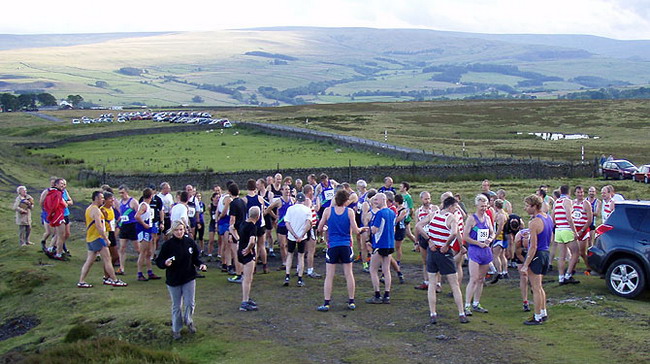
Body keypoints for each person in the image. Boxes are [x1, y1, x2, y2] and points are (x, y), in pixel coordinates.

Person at [317, 189, 366, 312]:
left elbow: (319, 227)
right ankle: (351, 301)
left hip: (332, 245)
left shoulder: (328, 211)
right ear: (346, 200)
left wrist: (327, 230)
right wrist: (363, 229)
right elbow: (356, 231)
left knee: (329, 275)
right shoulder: (349, 212)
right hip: (346, 245)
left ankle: (326, 302)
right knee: (349, 274)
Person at [156, 221, 207, 340]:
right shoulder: (167, 245)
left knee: (190, 302)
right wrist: (165, 263)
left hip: (189, 277)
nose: (179, 232)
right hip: (174, 280)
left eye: (181, 230)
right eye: (177, 230)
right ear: (173, 231)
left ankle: (188, 320)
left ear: (184, 230)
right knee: (176, 306)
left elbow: (195, 258)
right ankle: (176, 329)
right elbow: (159, 261)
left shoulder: (190, 242)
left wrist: (201, 265)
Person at [425, 196, 469, 324]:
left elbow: (418, 226)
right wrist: (446, 244)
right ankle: (461, 313)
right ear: (450, 206)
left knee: (432, 283)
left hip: (432, 252)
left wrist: (429, 240)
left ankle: (433, 313)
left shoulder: (433, 214)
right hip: (444, 252)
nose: (457, 209)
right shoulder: (451, 218)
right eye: (455, 207)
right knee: (454, 285)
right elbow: (455, 233)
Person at [78, 191, 127, 288]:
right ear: (96, 198)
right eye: (101, 198)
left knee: (90, 261)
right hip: (98, 238)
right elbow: (99, 226)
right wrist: (106, 238)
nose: (103, 200)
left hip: (90, 238)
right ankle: (114, 280)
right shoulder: (96, 210)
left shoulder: (89, 209)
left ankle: (81, 281)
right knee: (108, 259)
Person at [520, 194, 551, 325]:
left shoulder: (534, 222)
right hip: (546, 253)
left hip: (538, 254)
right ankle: (543, 312)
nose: (525, 208)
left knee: (535, 288)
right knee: (539, 286)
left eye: (527, 206)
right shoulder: (548, 217)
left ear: (534, 206)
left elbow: (533, 246)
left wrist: (525, 265)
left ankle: (537, 316)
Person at [463, 194, 494, 315]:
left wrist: (489, 240)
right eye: (481, 206)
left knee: (481, 279)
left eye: (485, 206)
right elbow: (465, 236)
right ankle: (467, 305)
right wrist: (477, 243)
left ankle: (476, 303)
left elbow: (492, 233)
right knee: (474, 278)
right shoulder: (471, 219)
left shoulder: (487, 218)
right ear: (476, 205)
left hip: (485, 251)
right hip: (475, 251)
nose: (484, 208)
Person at [365, 193, 395, 304]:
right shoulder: (392, 212)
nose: (375, 202)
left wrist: (367, 228)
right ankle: (387, 295)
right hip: (389, 244)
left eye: (377, 200)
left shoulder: (379, 213)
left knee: (373, 269)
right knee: (386, 270)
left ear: (383, 199)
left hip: (379, 244)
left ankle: (377, 295)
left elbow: (375, 230)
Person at [284, 192, 312, 287]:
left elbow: (287, 223)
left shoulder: (290, 209)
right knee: (300, 256)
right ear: (304, 201)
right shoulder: (307, 210)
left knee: (290, 255)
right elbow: (308, 224)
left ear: (296, 199)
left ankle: (287, 276)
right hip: (302, 237)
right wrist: (301, 235)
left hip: (291, 237)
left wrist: (294, 235)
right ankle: (299, 278)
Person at [552, 185, 579, 285]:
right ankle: (568, 274)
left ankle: (561, 277)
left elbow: (553, 217)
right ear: (569, 192)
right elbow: (569, 217)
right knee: (576, 252)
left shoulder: (556, 202)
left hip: (558, 230)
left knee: (561, 256)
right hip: (566, 229)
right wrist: (574, 231)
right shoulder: (567, 201)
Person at [265, 184, 295, 272]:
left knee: (290, 245)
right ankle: (284, 262)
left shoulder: (293, 200)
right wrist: (275, 217)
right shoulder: (279, 201)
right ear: (281, 191)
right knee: (282, 245)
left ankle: (289, 261)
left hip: (291, 225)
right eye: (285, 189)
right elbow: (269, 208)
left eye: (288, 189)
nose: (287, 191)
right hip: (281, 225)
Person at [236, 206, 261, 311]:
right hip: (247, 255)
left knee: (247, 278)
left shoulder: (243, 223)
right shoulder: (252, 227)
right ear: (258, 216)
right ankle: (244, 302)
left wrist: (238, 241)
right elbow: (252, 241)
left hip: (239, 253)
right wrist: (248, 248)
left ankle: (247, 297)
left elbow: (232, 228)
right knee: (247, 279)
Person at [242, 179, 268, 273]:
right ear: (255, 187)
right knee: (262, 246)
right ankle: (265, 266)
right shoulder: (260, 198)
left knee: (254, 246)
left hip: (251, 225)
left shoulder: (244, 200)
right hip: (261, 224)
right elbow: (264, 210)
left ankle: (254, 267)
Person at [414, 191, 438, 290]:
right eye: (425, 199)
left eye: (428, 198)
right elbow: (416, 227)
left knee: (436, 261)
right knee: (425, 261)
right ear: (421, 199)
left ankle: (437, 284)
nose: (427, 201)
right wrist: (416, 242)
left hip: (434, 237)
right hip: (423, 237)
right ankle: (426, 281)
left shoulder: (435, 208)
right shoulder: (418, 211)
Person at [135, 188, 160, 281]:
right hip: (143, 230)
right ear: (151, 196)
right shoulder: (144, 205)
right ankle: (139, 273)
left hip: (148, 229)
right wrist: (144, 224)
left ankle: (150, 272)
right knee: (143, 252)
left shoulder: (146, 205)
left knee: (149, 252)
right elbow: (137, 216)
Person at [42, 178, 68, 260]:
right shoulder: (57, 193)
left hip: (55, 216)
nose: (62, 185)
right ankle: (59, 254)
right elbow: (61, 204)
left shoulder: (50, 192)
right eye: (61, 183)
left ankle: (51, 249)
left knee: (57, 234)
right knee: (61, 235)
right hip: (58, 216)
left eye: (63, 184)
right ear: (56, 184)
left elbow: (46, 204)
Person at [117, 185, 140, 275]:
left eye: (122, 193)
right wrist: (118, 221)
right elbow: (121, 214)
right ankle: (121, 268)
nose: (121, 195)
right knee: (122, 247)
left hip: (132, 226)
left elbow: (139, 213)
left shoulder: (133, 202)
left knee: (137, 248)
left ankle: (143, 262)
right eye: (119, 193)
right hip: (124, 226)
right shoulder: (120, 202)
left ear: (127, 192)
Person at [227, 183, 247, 283]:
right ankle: (243, 273)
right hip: (243, 229)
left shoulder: (233, 204)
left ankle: (239, 274)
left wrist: (231, 234)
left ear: (229, 192)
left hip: (236, 230)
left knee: (236, 253)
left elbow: (232, 219)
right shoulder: (243, 202)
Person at [573, 186, 593, 275]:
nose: (580, 194)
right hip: (574, 228)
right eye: (578, 192)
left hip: (583, 229)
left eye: (581, 192)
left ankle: (589, 266)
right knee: (574, 251)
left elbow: (590, 219)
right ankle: (572, 269)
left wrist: (582, 230)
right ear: (575, 193)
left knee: (582, 252)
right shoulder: (573, 203)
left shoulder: (586, 203)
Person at [490, 199, 509, 283]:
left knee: (496, 255)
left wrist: (495, 236)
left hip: (500, 237)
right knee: (502, 255)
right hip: (503, 237)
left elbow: (500, 227)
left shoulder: (500, 215)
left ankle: (500, 272)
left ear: (495, 206)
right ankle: (505, 271)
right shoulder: (505, 214)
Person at [513, 227, 532, 312]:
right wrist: (525, 264)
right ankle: (525, 301)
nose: (526, 247)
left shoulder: (535, 239)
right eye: (525, 246)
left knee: (533, 275)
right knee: (523, 275)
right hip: (521, 256)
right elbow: (519, 254)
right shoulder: (518, 240)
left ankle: (533, 286)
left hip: (533, 252)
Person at [100, 191, 120, 267]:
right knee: (112, 255)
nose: (112, 200)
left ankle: (108, 269)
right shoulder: (103, 210)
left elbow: (116, 218)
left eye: (113, 198)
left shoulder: (111, 208)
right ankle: (108, 270)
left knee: (115, 256)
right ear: (105, 200)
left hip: (112, 232)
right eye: (110, 199)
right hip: (106, 233)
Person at [39, 177, 57, 252]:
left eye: (54, 183)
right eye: (52, 183)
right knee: (48, 231)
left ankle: (53, 247)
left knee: (56, 232)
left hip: (55, 213)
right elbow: (41, 201)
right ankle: (43, 242)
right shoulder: (46, 191)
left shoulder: (59, 191)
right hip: (47, 213)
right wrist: (44, 209)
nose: (53, 184)